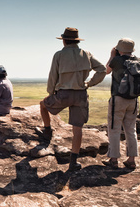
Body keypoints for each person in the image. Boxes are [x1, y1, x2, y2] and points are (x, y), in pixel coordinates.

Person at [40, 27, 106, 171]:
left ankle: (47, 131)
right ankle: (73, 162)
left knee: (42, 105)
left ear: (64, 40)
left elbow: (53, 77)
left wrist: (50, 93)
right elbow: (102, 69)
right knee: (77, 130)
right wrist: (90, 83)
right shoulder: (86, 54)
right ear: (76, 41)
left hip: (63, 94)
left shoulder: (59, 55)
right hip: (81, 94)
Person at [103, 38, 139, 169]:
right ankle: (131, 159)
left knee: (114, 129)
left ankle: (113, 159)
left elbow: (106, 71)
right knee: (131, 130)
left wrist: (112, 56)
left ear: (119, 49)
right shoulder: (138, 61)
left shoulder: (117, 60)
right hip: (134, 100)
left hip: (118, 99)